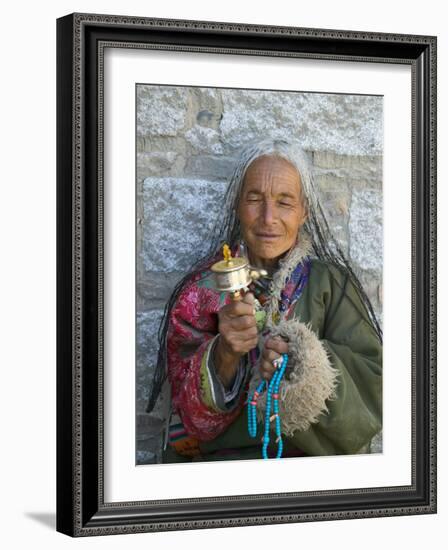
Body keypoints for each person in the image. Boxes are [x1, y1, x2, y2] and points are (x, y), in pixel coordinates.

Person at [146, 138, 382, 462]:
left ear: (303, 212)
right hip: (222, 469)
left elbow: (374, 384)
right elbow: (186, 413)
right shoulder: (201, 292)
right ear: (237, 205)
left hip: (312, 468)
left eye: (285, 202)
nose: (268, 217)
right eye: (255, 198)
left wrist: (300, 362)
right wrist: (225, 355)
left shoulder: (333, 286)